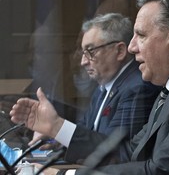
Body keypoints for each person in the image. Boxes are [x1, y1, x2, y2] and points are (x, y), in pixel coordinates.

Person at [10, 0, 169, 175]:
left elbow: (161, 170)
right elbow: (131, 151)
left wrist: (67, 174)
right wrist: (56, 128)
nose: (133, 47)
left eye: (140, 36)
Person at [29, 13, 162, 160]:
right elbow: (87, 132)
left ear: (120, 51)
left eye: (90, 51)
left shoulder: (137, 88)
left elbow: (117, 153)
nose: (83, 62)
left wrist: (57, 126)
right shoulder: (102, 88)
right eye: (83, 52)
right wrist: (60, 141)